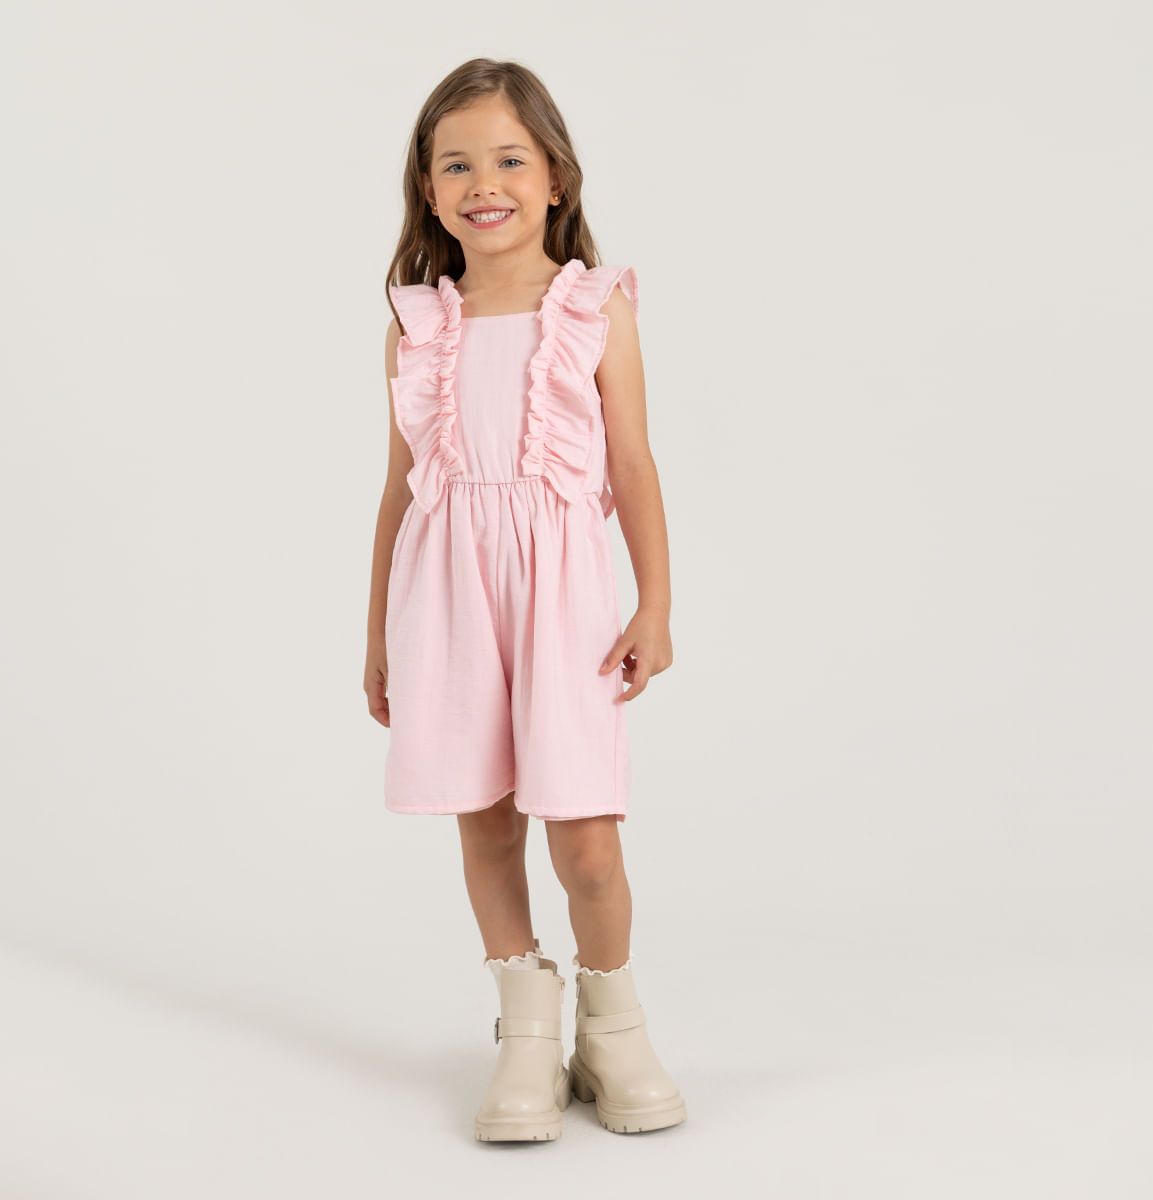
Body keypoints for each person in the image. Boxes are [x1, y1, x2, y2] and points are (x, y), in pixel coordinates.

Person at [364, 58, 685, 1141]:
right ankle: (527, 1030)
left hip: (565, 603)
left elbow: (632, 464)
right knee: (487, 821)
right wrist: (378, 634)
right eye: (455, 165)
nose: (483, 183)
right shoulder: (420, 324)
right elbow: (401, 488)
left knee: (585, 836)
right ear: (427, 188)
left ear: (555, 177)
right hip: (448, 601)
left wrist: (655, 605)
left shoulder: (593, 308)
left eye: (509, 159)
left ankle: (614, 1024)